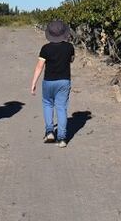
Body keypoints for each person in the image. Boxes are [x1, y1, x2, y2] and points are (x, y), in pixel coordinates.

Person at [30, 20, 75, 148]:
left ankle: (49, 131)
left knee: (48, 104)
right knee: (61, 108)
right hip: (64, 81)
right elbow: (71, 59)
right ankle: (62, 138)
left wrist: (33, 83)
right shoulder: (69, 47)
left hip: (48, 81)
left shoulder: (45, 48)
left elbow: (39, 67)